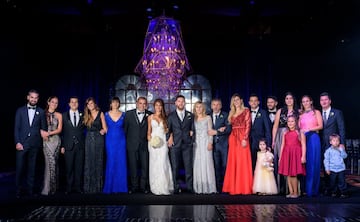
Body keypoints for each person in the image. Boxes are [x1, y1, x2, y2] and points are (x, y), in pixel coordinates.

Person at [14, 89, 47, 198]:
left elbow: (43, 128)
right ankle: (18, 190)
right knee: (20, 168)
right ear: (28, 97)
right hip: (22, 143)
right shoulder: (20, 111)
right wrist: (17, 142)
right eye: (32, 97)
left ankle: (30, 190)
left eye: (36, 97)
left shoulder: (41, 112)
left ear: (38, 99)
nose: (33, 99)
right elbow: (16, 128)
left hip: (35, 143)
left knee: (32, 168)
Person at [222, 93, 253, 195]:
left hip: (242, 137)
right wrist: (224, 128)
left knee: (243, 161)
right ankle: (233, 187)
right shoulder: (231, 113)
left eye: (237, 100)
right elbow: (229, 127)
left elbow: (248, 125)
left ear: (241, 100)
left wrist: (245, 138)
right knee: (233, 162)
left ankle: (243, 187)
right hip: (233, 138)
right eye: (234, 100)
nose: (236, 102)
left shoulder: (246, 111)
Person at [272, 91, 299, 194]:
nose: (289, 100)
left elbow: (299, 126)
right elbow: (275, 126)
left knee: (292, 162)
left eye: (290, 98)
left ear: (293, 100)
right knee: (282, 160)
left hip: (293, 136)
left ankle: (294, 190)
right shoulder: (280, 110)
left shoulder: (298, 111)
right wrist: (273, 140)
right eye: (287, 98)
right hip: (280, 135)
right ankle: (282, 188)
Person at [167, 95, 195, 194]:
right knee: (175, 167)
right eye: (179, 101)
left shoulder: (190, 115)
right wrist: (169, 138)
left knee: (188, 167)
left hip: (187, 145)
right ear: (176, 103)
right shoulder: (171, 116)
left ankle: (189, 187)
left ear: (185, 103)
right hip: (175, 145)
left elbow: (193, 129)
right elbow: (168, 130)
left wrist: (192, 138)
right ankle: (176, 187)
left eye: (182, 101)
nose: (181, 103)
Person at [124, 96, 152, 194]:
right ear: (136, 103)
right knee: (133, 167)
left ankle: (143, 187)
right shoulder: (128, 114)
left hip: (144, 145)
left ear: (146, 105)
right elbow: (125, 130)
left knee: (145, 167)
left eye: (144, 103)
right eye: (140, 103)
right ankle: (134, 186)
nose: (142, 105)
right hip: (132, 145)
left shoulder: (150, 115)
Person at [319, 92, 346, 195]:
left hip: (335, 145)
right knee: (326, 166)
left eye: (326, 100)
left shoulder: (337, 113)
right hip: (322, 145)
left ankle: (341, 189)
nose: (324, 102)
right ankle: (329, 188)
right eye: (322, 100)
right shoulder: (318, 113)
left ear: (330, 101)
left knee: (337, 167)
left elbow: (342, 129)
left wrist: (342, 143)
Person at [147, 98, 173, 195]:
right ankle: (155, 186)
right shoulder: (150, 117)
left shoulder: (166, 118)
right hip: (153, 143)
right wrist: (151, 140)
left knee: (163, 163)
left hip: (163, 143)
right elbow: (148, 132)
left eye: (160, 105)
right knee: (154, 165)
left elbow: (169, 130)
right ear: (154, 106)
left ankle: (164, 186)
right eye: (156, 105)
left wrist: (171, 136)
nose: (158, 107)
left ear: (162, 107)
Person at [299, 95, 323, 197]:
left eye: (307, 101)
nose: (305, 103)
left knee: (314, 164)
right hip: (303, 139)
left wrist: (310, 129)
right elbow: (299, 128)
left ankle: (313, 190)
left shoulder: (316, 112)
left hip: (313, 137)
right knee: (305, 164)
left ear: (311, 101)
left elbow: (321, 126)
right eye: (303, 101)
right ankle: (306, 189)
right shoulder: (301, 114)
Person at [60, 96, 85, 194]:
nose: (74, 104)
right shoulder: (64, 115)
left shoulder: (83, 115)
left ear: (78, 104)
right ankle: (69, 188)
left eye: (76, 102)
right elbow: (61, 132)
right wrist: (62, 145)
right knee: (69, 168)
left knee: (79, 168)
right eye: (72, 102)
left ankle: (78, 187)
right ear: (69, 104)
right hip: (68, 145)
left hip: (80, 146)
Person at [103, 96, 128, 193]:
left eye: (117, 102)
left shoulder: (124, 115)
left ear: (119, 104)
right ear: (110, 104)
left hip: (121, 141)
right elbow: (103, 127)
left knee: (121, 162)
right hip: (110, 141)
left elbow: (127, 128)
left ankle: (121, 187)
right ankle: (110, 186)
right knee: (111, 161)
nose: (115, 104)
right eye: (113, 102)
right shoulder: (105, 115)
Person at [83, 97, 107, 193]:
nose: (90, 105)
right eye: (88, 104)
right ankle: (88, 187)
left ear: (94, 104)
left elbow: (105, 128)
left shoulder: (100, 113)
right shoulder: (85, 115)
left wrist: (103, 130)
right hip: (88, 139)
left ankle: (97, 187)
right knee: (89, 162)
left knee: (98, 161)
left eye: (91, 103)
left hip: (98, 139)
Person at [278, 115, 306, 198]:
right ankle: (291, 192)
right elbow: (283, 145)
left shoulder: (299, 132)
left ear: (296, 122)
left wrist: (303, 156)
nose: (290, 123)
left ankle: (296, 192)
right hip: (287, 154)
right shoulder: (285, 132)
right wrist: (280, 157)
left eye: (292, 121)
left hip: (295, 154)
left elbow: (303, 145)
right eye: (289, 121)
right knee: (288, 174)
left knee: (293, 174)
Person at [192, 101, 216, 194]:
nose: (198, 109)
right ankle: (198, 187)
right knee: (197, 164)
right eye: (197, 107)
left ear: (203, 108)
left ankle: (208, 187)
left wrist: (210, 142)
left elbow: (210, 131)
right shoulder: (193, 119)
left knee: (207, 163)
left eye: (200, 107)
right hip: (196, 144)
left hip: (206, 143)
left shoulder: (208, 118)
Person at [208, 98, 231, 192]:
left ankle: (226, 187)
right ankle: (217, 188)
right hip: (213, 146)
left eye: (218, 104)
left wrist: (216, 132)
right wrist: (219, 130)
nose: (216, 106)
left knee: (225, 166)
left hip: (224, 145)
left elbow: (228, 129)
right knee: (215, 166)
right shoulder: (208, 115)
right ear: (211, 106)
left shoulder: (226, 115)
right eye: (214, 104)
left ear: (221, 106)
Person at [41, 96, 62, 195]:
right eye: (52, 102)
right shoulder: (42, 113)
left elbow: (59, 129)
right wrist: (42, 132)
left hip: (56, 141)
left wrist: (48, 133)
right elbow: (38, 126)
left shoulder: (59, 115)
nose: (54, 104)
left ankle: (54, 189)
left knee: (55, 164)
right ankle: (47, 189)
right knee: (48, 164)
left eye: (56, 103)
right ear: (48, 102)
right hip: (46, 141)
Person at [248, 93, 272, 172]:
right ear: (249, 103)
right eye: (251, 101)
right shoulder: (247, 112)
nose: (253, 103)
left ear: (258, 102)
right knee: (251, 164)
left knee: (262, 165)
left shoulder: (263, 113)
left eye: (255, 101)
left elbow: (268, 129)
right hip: (249, 143)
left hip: (261, 144)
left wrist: (268, 144)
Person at [323, 133, 348, 198]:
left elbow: (345, 156)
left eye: (337, 141)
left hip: (341, 169)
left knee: (342, 181)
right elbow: (326, 160)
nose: (336, 142)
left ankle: (343, 192)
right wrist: (327, 168)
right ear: (330, 142)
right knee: (332, 182)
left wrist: (342, 150)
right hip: (332, 169)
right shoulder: (328, 151)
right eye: (334, 141)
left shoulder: (340, 149)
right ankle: (333, 192)